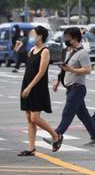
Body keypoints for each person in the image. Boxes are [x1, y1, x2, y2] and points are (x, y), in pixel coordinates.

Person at [44, 27, 95, 148]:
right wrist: (58, 81)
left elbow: (88, 70)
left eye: (67, 38)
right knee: (83, 115)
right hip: (69, 87)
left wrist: (72, 69)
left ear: (75, 39)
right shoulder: (67, 51)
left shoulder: (82, 53)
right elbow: (64, 68)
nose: (65, 40)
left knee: (67, 112)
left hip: (78, 88)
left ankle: (57, 134)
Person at [18, 26, 61, 156]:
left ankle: (55, 136)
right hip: (27, 84)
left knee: (35, 118)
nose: (31, 36)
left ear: (40, 36)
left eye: (33, 34)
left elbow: (41, 72)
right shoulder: (32, 50)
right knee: (29, 118)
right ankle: (31, 148)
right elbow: (29, 69)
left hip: (37, 87)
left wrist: (30, 87)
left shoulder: (45, 51)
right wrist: (26, 86)